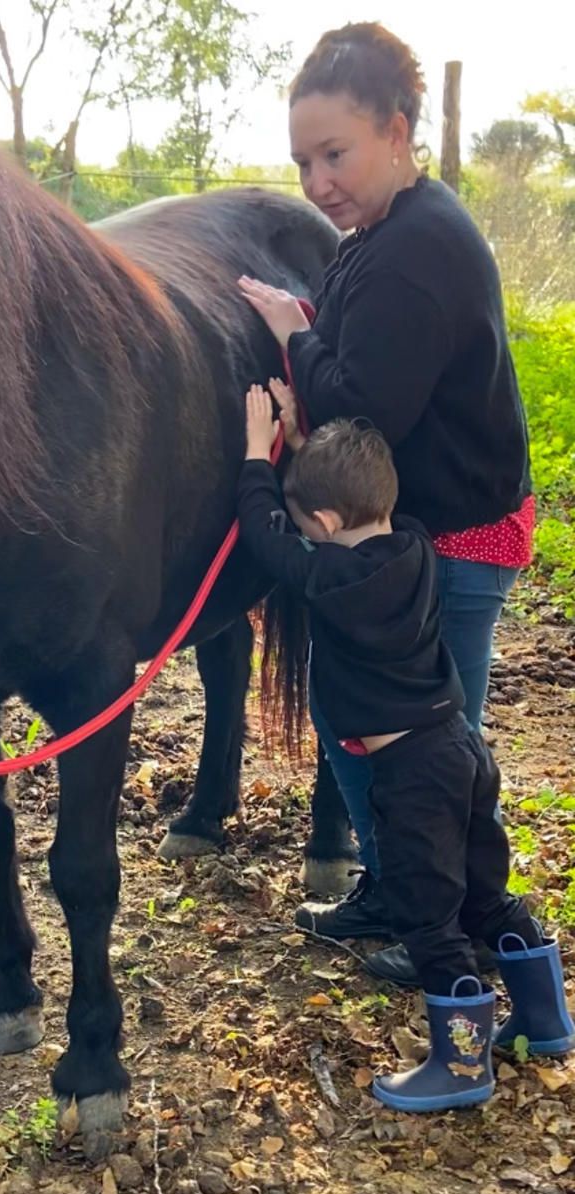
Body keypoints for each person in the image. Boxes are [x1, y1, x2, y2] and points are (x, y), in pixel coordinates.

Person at [237, 22, 534, 986]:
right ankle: (397, 885)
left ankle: (454, 929)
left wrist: (295, 334)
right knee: (364, 717)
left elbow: (365, 405)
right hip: (413, 524)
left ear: (397, 132)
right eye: (303, 162)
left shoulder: (415, 251)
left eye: (335, 154)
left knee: (436, 750)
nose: (317, 182)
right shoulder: (382, 231)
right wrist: (312, 333)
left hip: (456, 534)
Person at [237, 384, 573, 1111]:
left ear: (326, 523)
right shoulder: (414, 544)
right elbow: (337, 509)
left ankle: (462, 1067)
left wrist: (257, 455)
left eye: (312, 521)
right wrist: (306, 449)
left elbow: (267, 539)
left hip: (411, 775)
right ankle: (545, 1020)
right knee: (485, 894)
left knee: (427, 919)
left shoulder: (333, 576)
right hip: (461, 751)